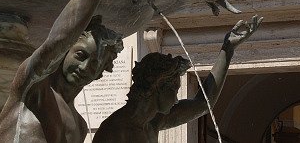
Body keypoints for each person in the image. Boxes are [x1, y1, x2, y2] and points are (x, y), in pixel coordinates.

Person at [0, 0, 139, 143]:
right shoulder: (35, 87)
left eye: (94, 64)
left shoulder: (80, 126)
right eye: (80, 55)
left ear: (101, 72)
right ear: (65, 51)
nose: (84, 67)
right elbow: (57, 40)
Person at [93, 15, 263, 143]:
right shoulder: (115, 132)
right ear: (158, 86)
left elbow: (203, 105)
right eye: (174, 89)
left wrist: (228, 49)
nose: (176, 98)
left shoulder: (153, 121)